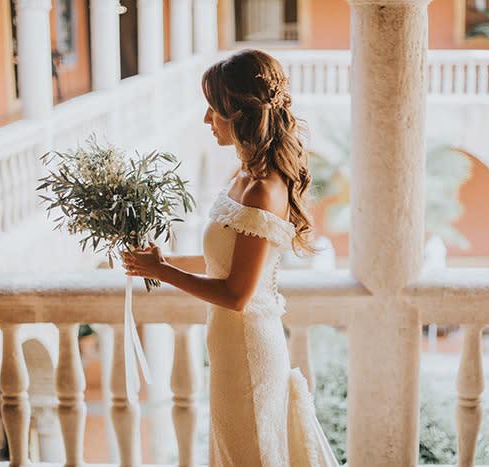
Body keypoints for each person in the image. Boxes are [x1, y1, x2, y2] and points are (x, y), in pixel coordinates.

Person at [122, 49, 339, 466]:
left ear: (240, 113)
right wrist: (160, 261)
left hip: (249, 354)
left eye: (214, 109)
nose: (207, 120)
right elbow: (220, 265)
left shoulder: (262, 189)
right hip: (227, 352)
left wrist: (162, 272)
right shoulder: (241, 176)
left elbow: (237, 294)